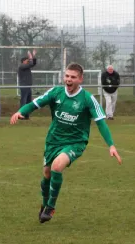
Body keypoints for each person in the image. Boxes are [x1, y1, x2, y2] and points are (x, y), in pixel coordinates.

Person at [10, 63, 122, 224]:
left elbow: (101, 122)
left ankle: (50, 207)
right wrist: (21, 111)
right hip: (53, 140)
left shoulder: (88, 99)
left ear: (80, 79)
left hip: (75, 142)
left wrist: (111, 145)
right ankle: (44, 203)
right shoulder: (56, 93)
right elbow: (35, 104)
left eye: (73, 77)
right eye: (67, 76)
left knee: (57, 166)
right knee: (47, 173)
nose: (69, 80)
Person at [18, 50, 37, 120]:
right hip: (24, 86)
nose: (28, 61)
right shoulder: (22, 66)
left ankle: (27, 116)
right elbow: (31, 64)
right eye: (27, 60)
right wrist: (31, 57)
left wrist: (33, 56)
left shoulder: (27, 67)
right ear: (23, 61)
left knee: (29, 102)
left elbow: (33, 64)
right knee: (23, 101)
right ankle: (21, 115)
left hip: (28, 86)